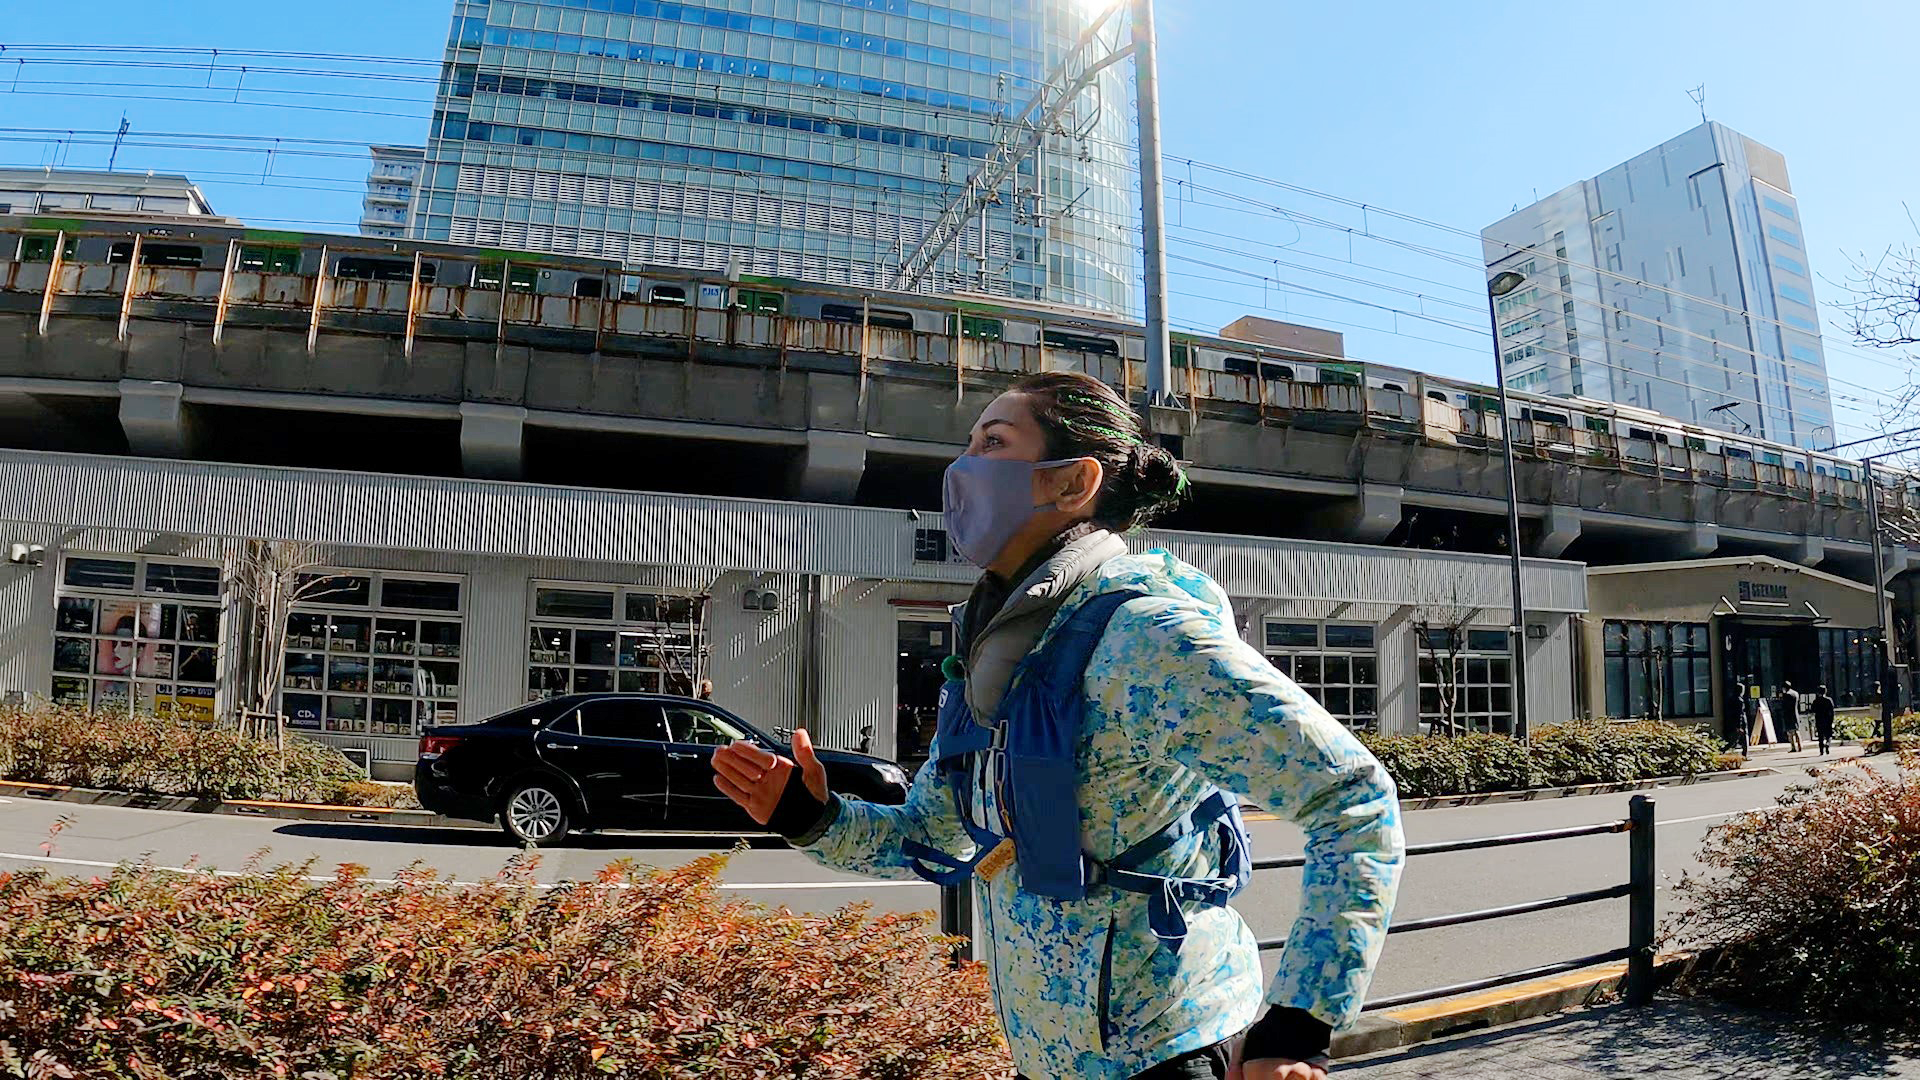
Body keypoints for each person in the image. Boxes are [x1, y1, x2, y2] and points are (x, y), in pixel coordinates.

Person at [713, 372, 1404, 1080]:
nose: (962, 467)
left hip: (1167, 1053)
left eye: (994, 442)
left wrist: (1296, 1027)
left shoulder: (1148, 637)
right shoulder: (996, 650)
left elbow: (1354, 802)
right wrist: (810, 814)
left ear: (1072, 484)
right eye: (969, 442)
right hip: (1046, 1059)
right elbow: (933, 837)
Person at [1812, 684, 1837, 756]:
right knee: (1829, 735)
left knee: (1820, 736)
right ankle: (1827, 744)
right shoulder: (1829, 700)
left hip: (1819, 720)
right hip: (1827, 720)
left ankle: (1821, 750)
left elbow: (1812, 710)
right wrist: (1832, 720)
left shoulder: (1816, 701)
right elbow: (1832, 711)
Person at [1779, 682, 1803, 753]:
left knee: (1790, 732)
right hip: (1795, 713)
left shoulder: (1787, 695)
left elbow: (1784, 705)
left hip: (1788, 715)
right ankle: (1800, 746)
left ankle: (1793, 747)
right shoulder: (1796, 693)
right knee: (1796, 731)